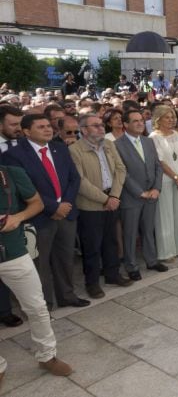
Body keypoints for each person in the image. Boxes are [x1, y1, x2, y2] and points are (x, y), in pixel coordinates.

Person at [3, 115, 88, 310]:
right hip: (39, 218)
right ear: (26, 131)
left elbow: (74, 179)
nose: (48, 130)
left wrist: (65, 203)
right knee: (40, 264)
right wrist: (53, 207)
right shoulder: (13, 156)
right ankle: (44, 304)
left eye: (49, 126)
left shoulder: (60, 149)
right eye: (41, 127)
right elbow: (23, 188)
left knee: (65, 258)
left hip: (67, 214)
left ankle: (67, 295)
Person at [0, 164, 73, 384]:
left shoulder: (11, 173)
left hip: (13, 253)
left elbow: (37, 203)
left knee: (37, 306)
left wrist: (17, 218)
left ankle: (47, 356)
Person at [69, 113, 133, 298]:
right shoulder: (75, 150)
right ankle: (93, 283)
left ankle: (113, 274)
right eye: (95, 125)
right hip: (91, 205)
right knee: (92, 246)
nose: (100, 128)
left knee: (111, 241)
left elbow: (121, 169)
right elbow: (80, 181)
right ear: (83, 130)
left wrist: (114, 195)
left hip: (112, 200)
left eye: (100, 125)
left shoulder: (109, 144)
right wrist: (105, 200)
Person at [114, 110, 167, 281]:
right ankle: (131, 266)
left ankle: (151, 261)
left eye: (141, 121)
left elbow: (158, 166)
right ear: (125, 124)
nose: (139, 123)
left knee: (148, 229)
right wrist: (139, 192)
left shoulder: (148, 141)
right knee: (130, 233)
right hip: (132, 197)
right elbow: (123, 172)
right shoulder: (117, 145)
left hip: (151, 194)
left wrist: (156, 188)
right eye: (135, 121)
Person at [149, 105, 178, 261]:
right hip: (165, 180)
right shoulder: (154, 137)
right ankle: (167, 251)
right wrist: (175, 177)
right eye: (167, 117)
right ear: (158, 119)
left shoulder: (177, 134)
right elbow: (160, 161)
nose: (171, 120)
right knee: (165, 215)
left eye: (173, 117)